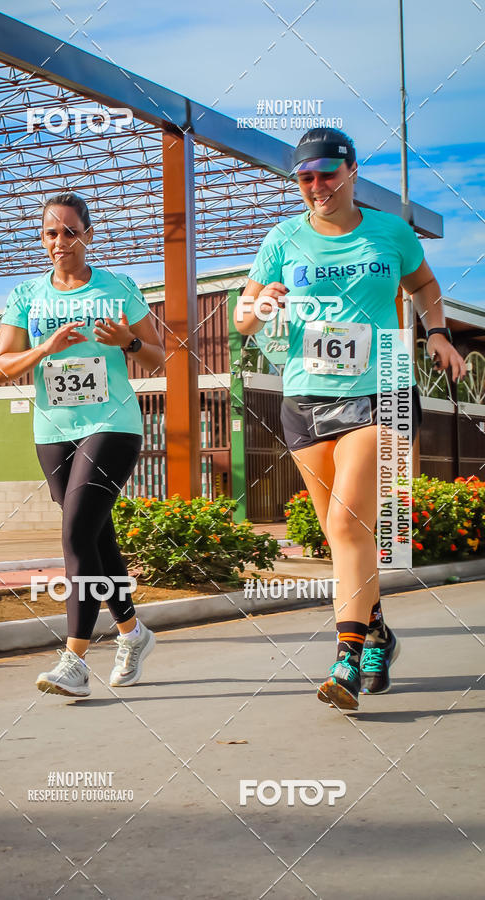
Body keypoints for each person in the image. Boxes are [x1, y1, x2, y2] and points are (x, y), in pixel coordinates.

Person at [235, 128, 466, 710]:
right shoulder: (282, 238)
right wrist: (267, 304)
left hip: (380, 389)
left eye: (327, 173)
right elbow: (243, 317)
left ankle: (346, 656)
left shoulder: (390, 231)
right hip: (305, 397)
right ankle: (378, 635)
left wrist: (436, 331)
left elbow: (424, 283)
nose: (317, 186)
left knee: (344, 526)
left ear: (352, 170)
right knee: (349, 536)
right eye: (305, 178)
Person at [0, 192, 165, 698]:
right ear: (42, 239)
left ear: (88, 234)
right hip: (53, 430)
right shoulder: (26, 294)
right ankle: (133, 634)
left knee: (74, 534)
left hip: (112, 423)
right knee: (94, 537)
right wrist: (44, 348)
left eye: (70, 231)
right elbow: (2, 367)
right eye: (51, 232)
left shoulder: (118, 287)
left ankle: (74, 659)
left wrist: (127, 344)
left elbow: (158, 357)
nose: (60, 241)